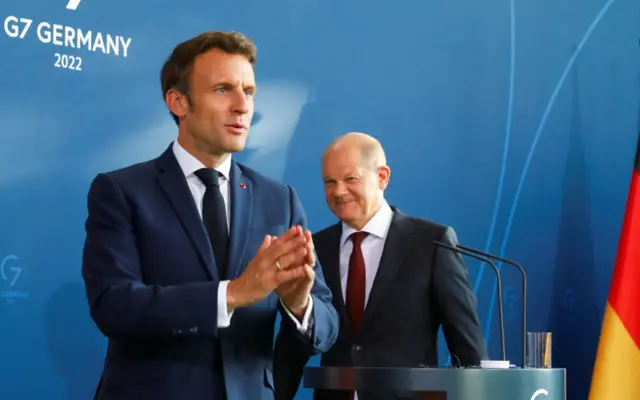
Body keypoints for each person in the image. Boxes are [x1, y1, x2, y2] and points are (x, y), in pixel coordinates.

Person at [81, 31, 339, 400]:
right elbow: (114, 305)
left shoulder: (279, 199)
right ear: (178, 102)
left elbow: (326, 327)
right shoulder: (121, 191)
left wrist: (299, 303)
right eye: (223, 90)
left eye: (248, 91)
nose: (242, 106)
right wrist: (233, 294)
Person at [309, 132, 488, 400]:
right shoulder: (315, 247)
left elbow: (467, 347)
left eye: (350, 179)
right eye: (329, 182)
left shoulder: (433, 243)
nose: (339, 191)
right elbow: (295, 343)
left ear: (382, 177)